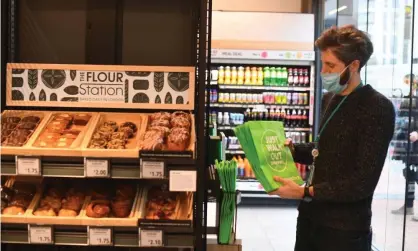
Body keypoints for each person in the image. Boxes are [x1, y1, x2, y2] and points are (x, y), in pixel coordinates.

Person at [269, 25, 396, 251]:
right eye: (323, 64)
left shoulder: (377, 107)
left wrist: (305, 191)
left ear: (354, 65)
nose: (323, 72)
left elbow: (363, 182)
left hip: (344, 231)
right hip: (310, 219)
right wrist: (295, 150)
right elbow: (327, 149)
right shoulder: (331, 98)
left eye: (331, 66)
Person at [391, 74, 418, 220]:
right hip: (407, 142)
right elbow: (402, 117)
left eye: (412, 84)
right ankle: (408, 206)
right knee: (409, 175)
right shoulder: (407, 99)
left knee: (415, 175)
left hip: (415, 143)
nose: (410, 87)